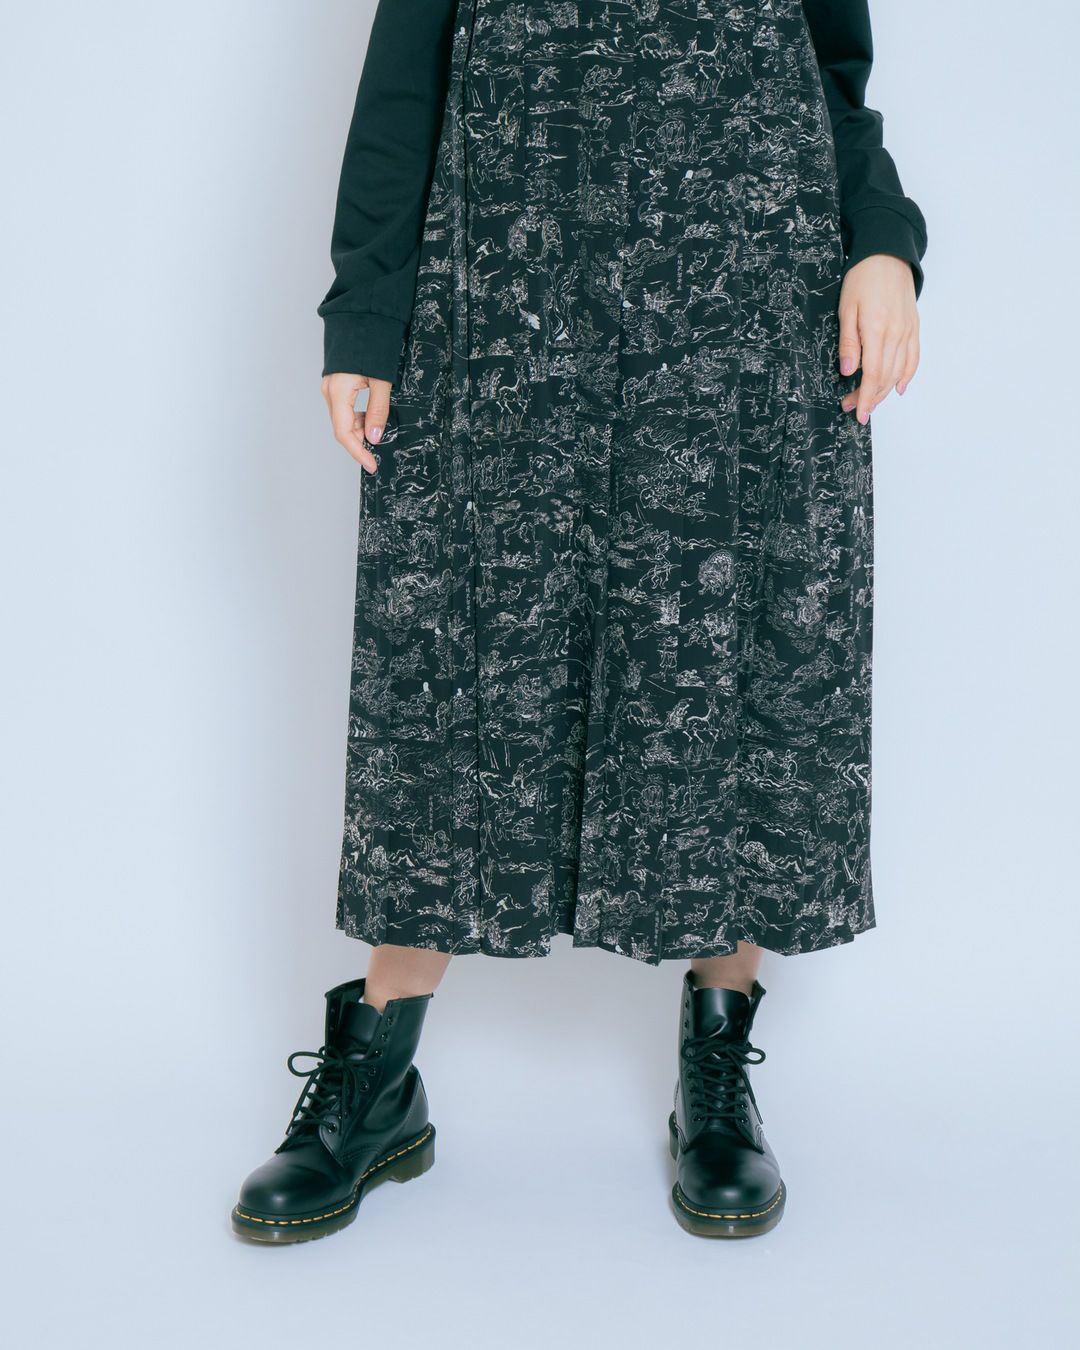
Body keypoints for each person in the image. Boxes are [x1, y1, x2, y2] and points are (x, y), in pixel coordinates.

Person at [231, 0, 926, 1243]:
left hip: (748, 286)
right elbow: (404, 79)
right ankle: (377, 1076)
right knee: (451, 656)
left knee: (725, 649)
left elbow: (830, 71)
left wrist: (880, 242)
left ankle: (716, 1066)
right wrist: (367, 310)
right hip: (506, 286)